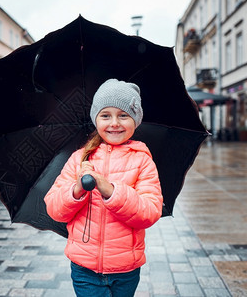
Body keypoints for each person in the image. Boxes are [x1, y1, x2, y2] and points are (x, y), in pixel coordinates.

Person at [44, 79, 163, 297]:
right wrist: (77, 188)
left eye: (123, 115)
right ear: (95, 119)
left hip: (126, 269)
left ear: (135, 120)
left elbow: (150, 212)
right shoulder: (80, 158)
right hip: (84, 268)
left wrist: (111, 191)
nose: (114, 123)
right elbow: (54, 209)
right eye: (106, 115)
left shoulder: (143, 161)